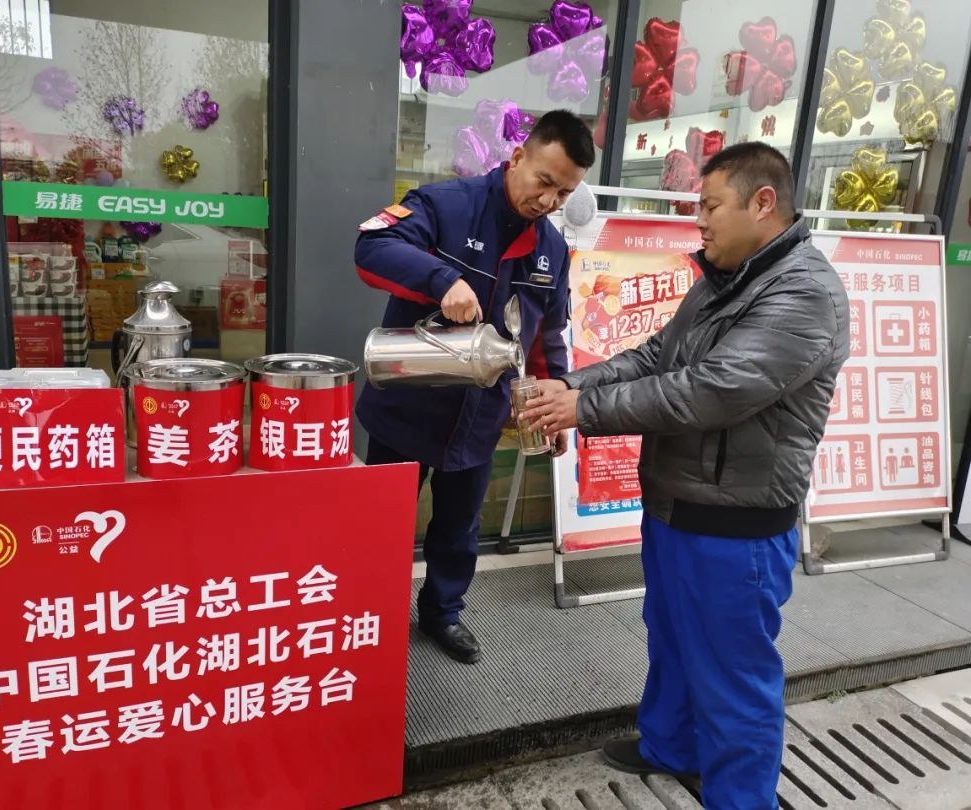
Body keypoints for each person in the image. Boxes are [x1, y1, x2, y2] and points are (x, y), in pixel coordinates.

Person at [521, 142, 850, 808]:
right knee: (671, 637)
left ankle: (741, 799)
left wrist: (583, 410)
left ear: (763, 204)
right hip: (678, 504)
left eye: (710, 205)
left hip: (737, 526)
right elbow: (655, 357)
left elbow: (711, 391)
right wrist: (571, 387)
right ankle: (670, 747)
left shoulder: (805, 292)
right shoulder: (725, 277)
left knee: (733, 677)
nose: (698, 220)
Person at [354, 110, 595, 664]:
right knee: (383, 525)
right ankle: (372, 613)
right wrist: (442, 280)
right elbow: (371, 248)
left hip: (480, 415)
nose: (549, 201)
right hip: (409, 404)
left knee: (460, 528)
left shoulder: (551, 250)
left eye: (564, 193)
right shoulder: (446, 204)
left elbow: (545, 336)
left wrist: (554, 402)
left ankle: (443, 613)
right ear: (518, 157)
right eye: (544, 182)